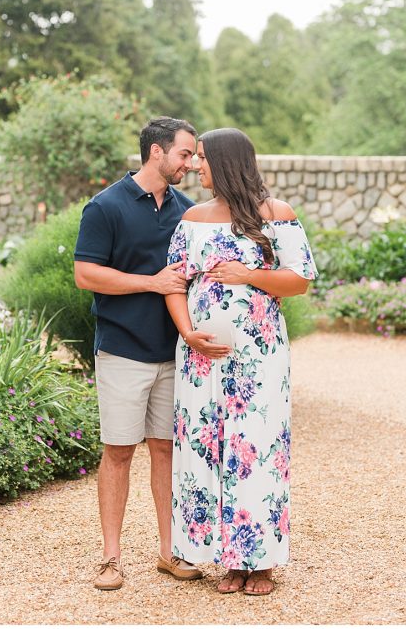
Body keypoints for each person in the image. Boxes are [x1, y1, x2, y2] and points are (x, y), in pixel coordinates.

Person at [164, 127, 317, 597]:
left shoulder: (278, 217)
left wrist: (247, 274)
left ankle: (260, 562)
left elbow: (300, 279)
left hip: (259, 357)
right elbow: (173, 283)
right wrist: (189, 333)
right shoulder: (192, 218)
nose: (195, 165)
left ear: (228, 163)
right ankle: (226, 559)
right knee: (207, 447)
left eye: (204, 158)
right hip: (202, 357)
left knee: (257, 448)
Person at [74, 116, 204, 590]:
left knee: (167, 453)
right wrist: (151, 283)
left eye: (193, 157)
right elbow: (86, 274)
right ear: (157, 152)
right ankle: (111, 559)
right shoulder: (104, 207)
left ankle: (170, 552)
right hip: (122, 351)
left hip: (174, 354)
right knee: (119, 453)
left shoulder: (187, 211)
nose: (190, 164)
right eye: (185, 154)